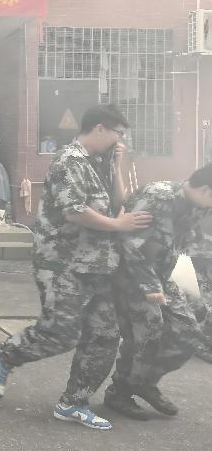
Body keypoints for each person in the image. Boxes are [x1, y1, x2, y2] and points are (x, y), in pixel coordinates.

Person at [0, 104, 152, 431]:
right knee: (61, 332)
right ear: (100, 128)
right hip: (63, 263)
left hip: (98, 264)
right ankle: (4, 355)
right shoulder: (69, 161)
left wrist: (118, 164)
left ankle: (73, 402)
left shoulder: (99, 161)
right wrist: (118, 226)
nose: (120, 140)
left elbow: (120, 203)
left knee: (105, 335)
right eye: (118, 134)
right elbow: (74, 211)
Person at [101, 167, 212, 420]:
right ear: (206, 190)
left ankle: (143, 383)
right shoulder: (157, 197)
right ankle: (119, 393)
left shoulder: (199, 204)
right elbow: (126, 242)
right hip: (129, 274)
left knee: (188, 333)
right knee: (146, 333)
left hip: (160, 274)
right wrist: (149, 285)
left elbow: (189, 238)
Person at [188, 223, 212, 363]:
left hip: (200, 246)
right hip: (198, 246)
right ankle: (202, 343)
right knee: (203, 296)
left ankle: (203, 341)